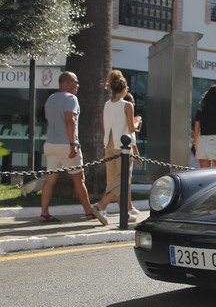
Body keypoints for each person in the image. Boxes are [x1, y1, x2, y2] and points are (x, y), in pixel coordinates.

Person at [39, 71, 94, 223]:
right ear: (68, 82)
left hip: (50, 144)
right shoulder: (71, 98)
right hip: (66, 144)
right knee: (79, 179)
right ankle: (89, 213)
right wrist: (73, 144)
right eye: (76, 82)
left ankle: (44, 213)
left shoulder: (51, 98)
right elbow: (70, 121)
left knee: (50, 180)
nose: (77, 86)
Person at [91, 70, 142, 226]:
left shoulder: (107, 105)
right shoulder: (128, 105)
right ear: (124, 88)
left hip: (109, 144)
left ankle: (124, 214)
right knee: (123, 178)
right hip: (123, 146)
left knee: (113, 179)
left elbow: (105, 125)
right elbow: (131, 129)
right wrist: (137, 121)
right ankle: (101, 205)